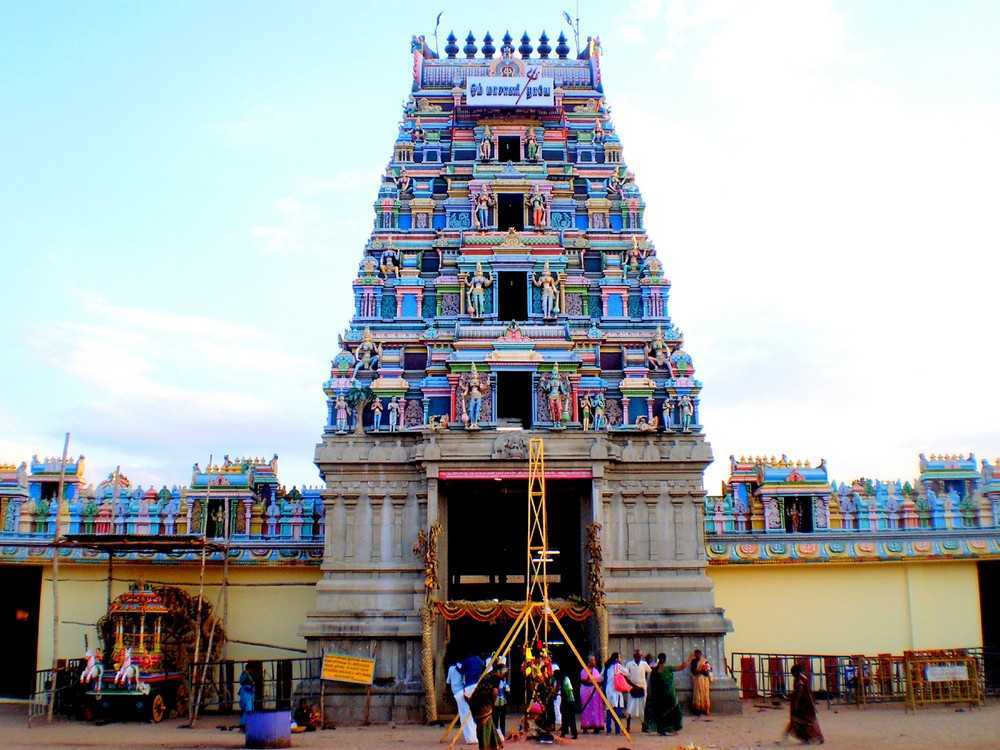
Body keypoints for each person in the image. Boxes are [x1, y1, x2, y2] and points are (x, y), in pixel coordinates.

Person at [647, 652, 693, 736]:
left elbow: (652, 684)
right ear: (665, 660)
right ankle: (669, 729)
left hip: (659, 696)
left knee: (661, 712)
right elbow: (682, 667)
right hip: (668, 696)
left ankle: (661, 730)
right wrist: (690, 659)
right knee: (673, 712)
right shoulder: (667, 668)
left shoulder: (655, 670)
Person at [783, 663, 825, 744]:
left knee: (801, 721)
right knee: (805, 722)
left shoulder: (799, 680)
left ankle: (815, 738)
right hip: (807, 704)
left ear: (796, 673)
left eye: (793, 673)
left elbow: (799, 692)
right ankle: (814, 738)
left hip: (803, 705)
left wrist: (795, 705)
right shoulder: (803, 678)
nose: (792, 675)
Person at [469, 666, 504, 749]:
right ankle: (485, 747)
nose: (505, 673)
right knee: (484, 726)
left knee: (488, 723)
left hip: (477, 703)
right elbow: (495, 692)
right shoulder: (496, 677)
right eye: (504, 671)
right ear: (498, 671)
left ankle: (494, 745)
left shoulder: (488, 675)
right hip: (482, 705)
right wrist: (492, 703)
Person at [448, 660, 476, 745]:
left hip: (455, 693)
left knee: (464, 715)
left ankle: (470, 738)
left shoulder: (451, 668)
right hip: (462, 692)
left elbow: (448, 682)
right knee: (468, 715)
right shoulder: (462, 668)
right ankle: (472, 738)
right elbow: (464, 681)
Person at [625, 648, 652, 733]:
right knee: (629, 707)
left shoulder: (644, 664)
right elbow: (625, 676)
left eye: (640, 656)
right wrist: (633, 685)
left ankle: (644, 726)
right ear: (634, 656)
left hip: (642, 688)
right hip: (632, 688)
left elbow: (650, 670)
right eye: (637, 655)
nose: (638, 657)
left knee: (643, 707)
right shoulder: (629, 664)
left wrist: (651, 661)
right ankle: (628, 727)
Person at [579, 655, 604, 734]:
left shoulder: (596, 671)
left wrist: (595, 680)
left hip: (595, 692)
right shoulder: (584, 670)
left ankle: (596, 727)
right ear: (589, 661)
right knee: (586, 709)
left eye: (594, 660)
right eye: (592, 660)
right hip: (586, 692)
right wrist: (592, 679)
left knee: (596, 709)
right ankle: (585, 727)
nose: (594, 662)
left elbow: (599, 679)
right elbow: (584, 680)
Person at [603, 652, 626, 735]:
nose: (620, 659)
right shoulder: (618, 666)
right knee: (617, 711)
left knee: (609, 710)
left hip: (608, 691)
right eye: (620, 657)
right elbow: (627, 672)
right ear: (617, 658)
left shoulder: (606, 666)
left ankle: (608, 730)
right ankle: (617, 730)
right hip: (615, 691)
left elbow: (602, 677)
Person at [556, 668, 578, 739]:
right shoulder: (563, 679)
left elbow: (568, 691)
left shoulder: (565, 680)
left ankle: (572, 733)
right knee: (566, 717)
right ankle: (565, 732)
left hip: (569, 701)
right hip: (567, 700)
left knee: (570, 718)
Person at [690, 648, 713, 717]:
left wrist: (705, 670)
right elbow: (693, 671)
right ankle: (698, 710)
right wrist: (700, 670)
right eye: (696, 654)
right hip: (697, 680)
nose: (698, 655)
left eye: (699, 654)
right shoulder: (693, 661)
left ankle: (706, 709)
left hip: (704, 680)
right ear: (695, 655)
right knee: (697, 695)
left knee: (705, 694)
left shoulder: (705, 661)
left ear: (701, 654)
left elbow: (709, 670)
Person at [238, 666, 255, 731]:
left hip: (250, 691)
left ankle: (245, 724)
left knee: (250, 709)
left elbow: (253, 682)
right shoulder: (244, 674)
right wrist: (246, 674)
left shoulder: (251, 675)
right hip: (245, 691)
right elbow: (241, 681)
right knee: (248, 708)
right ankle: (244, 725)